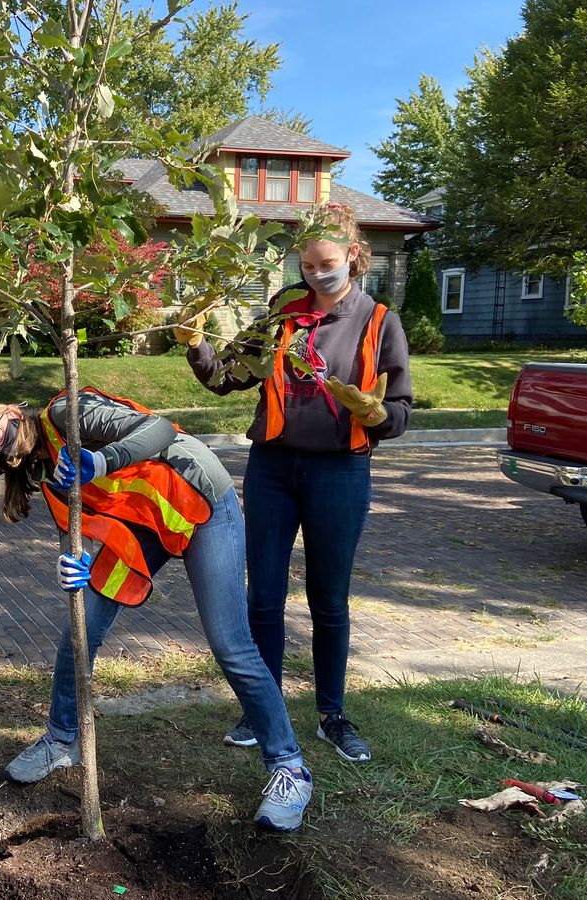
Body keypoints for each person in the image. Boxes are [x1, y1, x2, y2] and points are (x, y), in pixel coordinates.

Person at [0, 389, 313, 832]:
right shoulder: (47, 473)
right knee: (81, 627)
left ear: (13, 412)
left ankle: (290, 769)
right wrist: (73, 564)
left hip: (199, 498)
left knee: (231, 645)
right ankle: (61, 739)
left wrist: (100, 462)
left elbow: (160, 429)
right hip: (145, 525)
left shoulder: (66, 413)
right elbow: (77, 533)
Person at [175, 202, 411, 763]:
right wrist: (195, 342)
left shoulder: (380, 322)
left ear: (353, 257)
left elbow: (399, 413)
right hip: (274, 469)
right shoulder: (283, 314)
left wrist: (373, 414)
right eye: (306, 265)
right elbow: (228, 377)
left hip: (340, 472)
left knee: (328, 599)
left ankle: (332, 714)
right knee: (264, 596)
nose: (315, 273)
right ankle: (264, 710)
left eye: (326, 262)